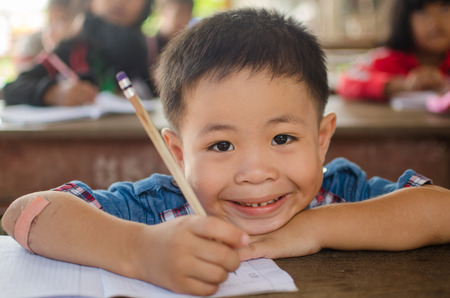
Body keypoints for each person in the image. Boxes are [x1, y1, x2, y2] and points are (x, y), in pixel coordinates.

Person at [2, 8, 450, 296]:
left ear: (321, 138)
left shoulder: (338, 190)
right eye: (221, 145)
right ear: (176, 153)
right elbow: (26, 213)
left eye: (282, 139)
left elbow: (441, 210)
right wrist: (139, 251)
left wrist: (316, 227)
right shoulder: (161, 207)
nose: (255, 172)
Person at [3, 0, 154, 106]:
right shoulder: (72, 49)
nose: (120, 1)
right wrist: (52, 93)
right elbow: (12, 89)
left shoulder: (153, 48)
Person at [336, 0, 450, 102]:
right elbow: (346, 81)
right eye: (422, 12)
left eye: (444, 9)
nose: (436, 22)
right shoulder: (388, 58)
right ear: (404, 19)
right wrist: (403, 85)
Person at [13, 0, 90, 73]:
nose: (50, 31)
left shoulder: (82, 54)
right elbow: (22, 75)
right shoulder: (38, 45)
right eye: (50, 21)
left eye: (59, 21)